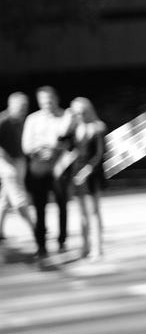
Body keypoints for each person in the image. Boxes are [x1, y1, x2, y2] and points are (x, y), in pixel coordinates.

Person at [22, 86, 72, 258]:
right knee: (39, 207)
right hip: (39, 165)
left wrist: (55, 148)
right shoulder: (32, 119)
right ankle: (41, 245)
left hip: (59, 165)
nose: (47, 104)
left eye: (50, 100)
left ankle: (62, 241)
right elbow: (26, 145)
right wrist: (41, 150)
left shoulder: (65, 116)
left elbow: (69, 141)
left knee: (62, 204)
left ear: (56, 99)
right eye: (43, 101)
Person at [62, 97, 106, 261]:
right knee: (81, 213)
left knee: (94, 212)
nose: (80, 115)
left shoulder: (98, 127)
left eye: (83, 112)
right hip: (76, 172)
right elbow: (63, 143)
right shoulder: (75, 129)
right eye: (77, 112)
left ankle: (97, 247)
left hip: (92, 173)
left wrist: (87, 171)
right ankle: (85, 246)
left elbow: (99, 154)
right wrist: (68, 121)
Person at [0, 92, 38, 255]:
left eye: (25, 107)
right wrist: (6, 159)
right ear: (11, 105)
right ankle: (36, 227)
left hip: (19, 160)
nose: (24, 110)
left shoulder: (23, 120)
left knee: (6, 198)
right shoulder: (3, 120)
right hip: (6, 162)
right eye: (21, 107)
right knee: (18, 198)